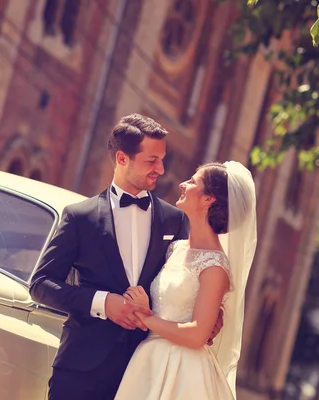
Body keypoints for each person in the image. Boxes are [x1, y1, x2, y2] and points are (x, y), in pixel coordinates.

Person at [29, 113, 222, 400]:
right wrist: (104, 303)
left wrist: (212, 317)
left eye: (161, 159)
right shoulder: (79, 217)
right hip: (81, 370)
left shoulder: (175, 220)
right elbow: (41, 284)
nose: (161, 168)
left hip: (147, 373)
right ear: (122, 159)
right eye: (151, 161)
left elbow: (190, 283)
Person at [114, 161, 257, 399]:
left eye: (192, 182)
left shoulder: (215, 266)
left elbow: (197, 335)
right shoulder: (175, 249)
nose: (182, 183)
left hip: (182, 371)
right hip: (148, 361)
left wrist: (144, 316)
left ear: (208, 200)